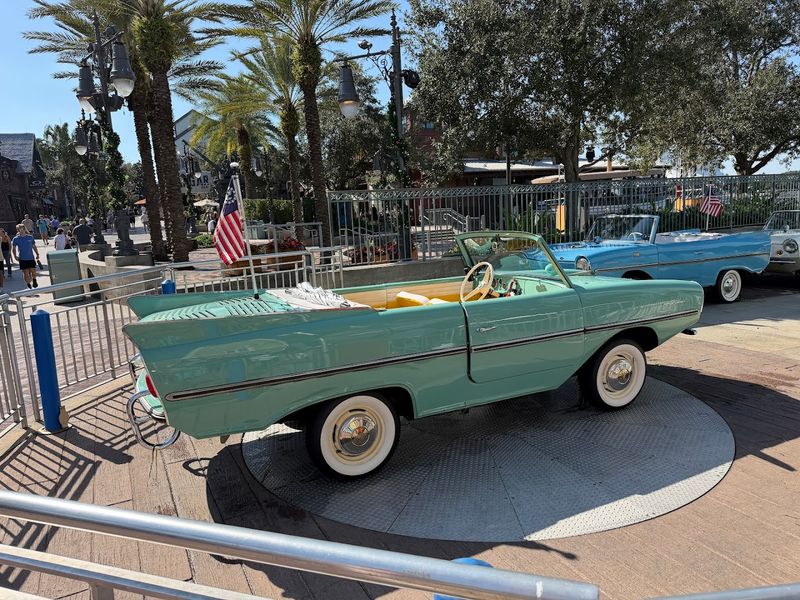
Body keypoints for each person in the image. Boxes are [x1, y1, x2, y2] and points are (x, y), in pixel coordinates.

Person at [12, 224, 40, 289]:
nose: (21, 230)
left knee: (33, 270)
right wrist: (15, 256)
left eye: (22, 229)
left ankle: (34, 280)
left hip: (30, 257)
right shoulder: (16, 239)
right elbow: (13, 248)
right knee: (26, 272)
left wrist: (37, 254)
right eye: (19, 229)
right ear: (18, 230)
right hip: (22, 258)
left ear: (24, 229)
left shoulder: (30, 237)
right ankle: (28, 283)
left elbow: (34, 246)